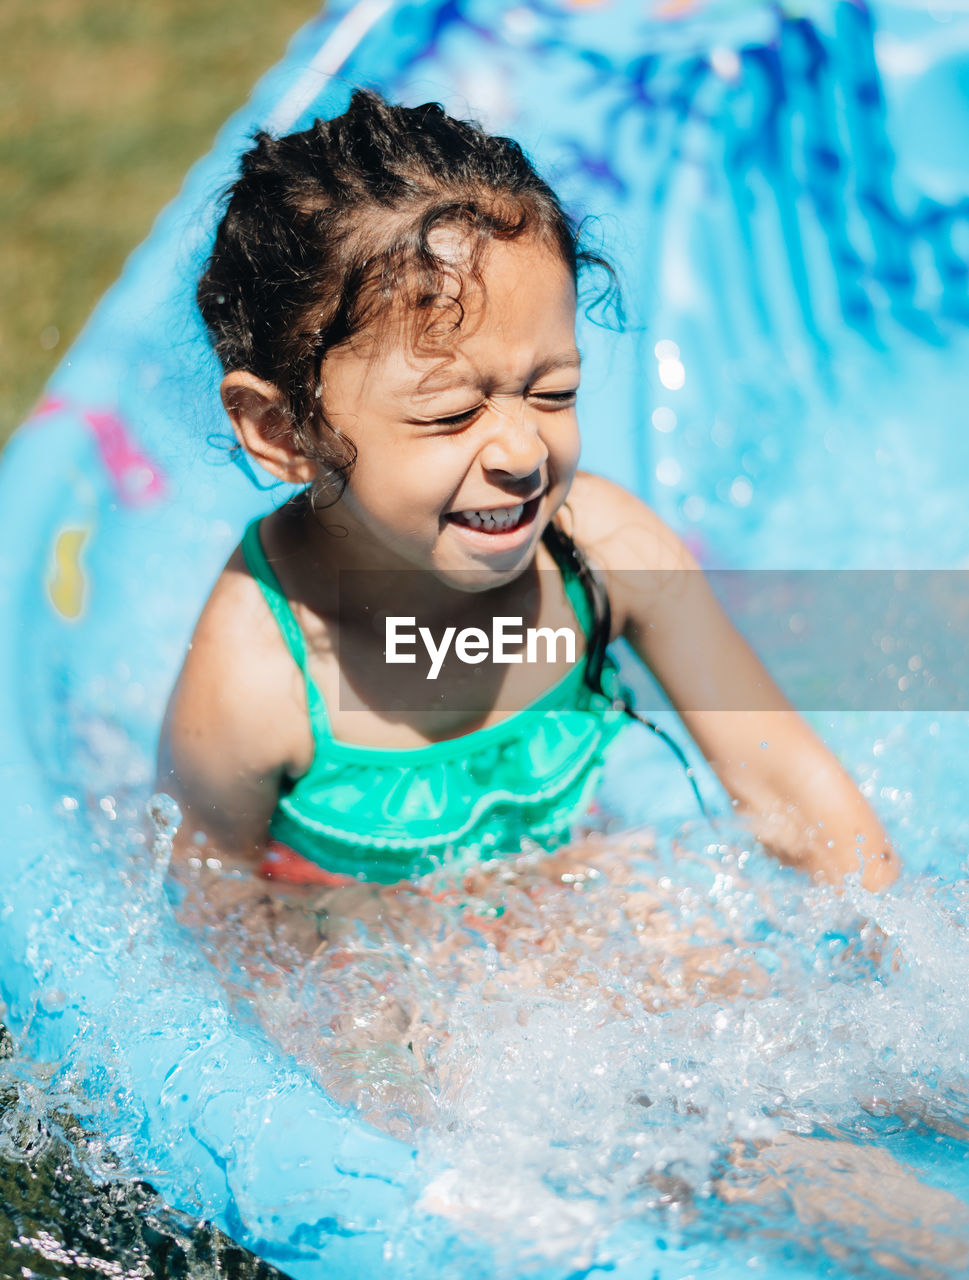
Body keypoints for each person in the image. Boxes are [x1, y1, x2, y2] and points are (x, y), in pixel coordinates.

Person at [157, 88, 898, 918]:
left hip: (567, 895)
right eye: (450, 413)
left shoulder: (604, 551)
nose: (521, 452)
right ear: (282, 430)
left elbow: (792, 793)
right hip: (360, 942)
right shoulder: (257, 674)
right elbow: (210, 902)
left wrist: (900, 959)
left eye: (554, 392)